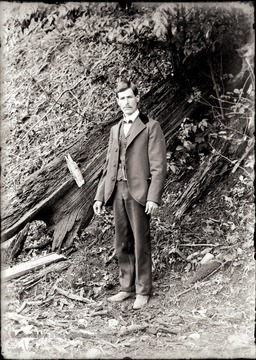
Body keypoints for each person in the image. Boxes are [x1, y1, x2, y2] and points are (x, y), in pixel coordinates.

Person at [93, 80, 166, 309]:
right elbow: (108, 165)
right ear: (117, 102)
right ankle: (126, 287)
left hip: (139, 192)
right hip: (117, 191)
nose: (125, 102)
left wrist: (153, 197)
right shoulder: (115, 129)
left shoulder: (150, 126)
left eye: (129, 97)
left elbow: (158, 165)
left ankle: (143, 290)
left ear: (137, 98)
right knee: (121, 242)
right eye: (121, 98)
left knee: (141, 241)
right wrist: (99, 195)